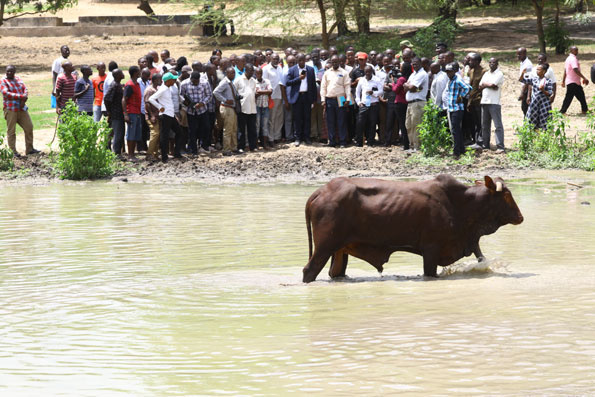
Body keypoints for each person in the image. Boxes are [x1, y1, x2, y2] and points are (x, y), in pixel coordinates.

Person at [1, 65, 38, 157]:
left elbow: (25, 89)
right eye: (8, 71)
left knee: (29, 127)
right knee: (11, 131)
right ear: (5, 72)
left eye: (11, 71)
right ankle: (13, 152)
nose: (9, 73)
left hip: (21, 108)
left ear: (15, 72)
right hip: (11, 109)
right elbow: (6, 93)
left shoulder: (18, 79)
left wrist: (23, 99)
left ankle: (29, 149)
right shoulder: (3, 81)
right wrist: (21, 97)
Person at [148, 72, 182, 163]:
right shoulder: (163, 89)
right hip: (165, 115)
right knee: (165, 136)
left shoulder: (167, 88)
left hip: (170, 115)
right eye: (173, 79)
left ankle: (176, 153)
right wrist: (159, 107)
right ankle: (164, 157)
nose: (174, 81)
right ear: (168, 81)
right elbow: (151, 99)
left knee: (179, 133)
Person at [285, 53, 317, 146]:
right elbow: (288, 82)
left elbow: (313, 85)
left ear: (305, 60)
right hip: (297, 97)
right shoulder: (292, 70)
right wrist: (299, 78)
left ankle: (307, 137)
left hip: (307, 96)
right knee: (297, 118)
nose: (301, 62)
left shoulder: (310, 69)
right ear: (297, 61)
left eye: (303, 60)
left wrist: (314, 99)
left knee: (307, 118)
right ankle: (298, 138)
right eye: (299, 60)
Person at [320, 55, 352, 148]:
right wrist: (323, 99)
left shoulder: (344, 73)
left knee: (341, 121)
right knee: (330, 121)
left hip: (341, 98)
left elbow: (347, 87)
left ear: (339, 62)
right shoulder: (327, 73)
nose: (334, 63)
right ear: (331, 62)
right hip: (329, 99)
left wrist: (348, 99)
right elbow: (323, 87)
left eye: (336, 62)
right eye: (333, 62)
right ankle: (332, 141)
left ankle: (342, 141)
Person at [181, 71, 213, 155]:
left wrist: (202, 103)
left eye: (197, 81)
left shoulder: (204, 83)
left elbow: (209, 95)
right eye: (194, 81)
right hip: (191, 112)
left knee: (206, 128)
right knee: (192, 131)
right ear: (191, 79)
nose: (196, 83)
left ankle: (203, 146)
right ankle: (193, 150)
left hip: (202, 110)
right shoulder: (184, 84)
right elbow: (181, 96)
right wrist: (187, 103)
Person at [444, 62, 471, 158]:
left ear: (454, 71)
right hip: (451, 108)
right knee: (456, 130)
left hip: (457, 108)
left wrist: (462, 96)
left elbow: (468, 88)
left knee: (455, 130)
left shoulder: (457, 79)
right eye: (447, 72)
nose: (448, 73)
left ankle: (457, 152)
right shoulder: (450, 80)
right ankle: (461, 149)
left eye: (450, 72)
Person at [479, 58, 505, 153]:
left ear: (497, 64)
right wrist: (489, 85)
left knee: (497, 125)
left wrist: (487, 85)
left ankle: (500, 147)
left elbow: (493, 84)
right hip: (484, 101)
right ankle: (486, 145)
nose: (491, 64)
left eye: (494, 62)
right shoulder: (486, 73)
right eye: (490, 62)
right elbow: (480, 85)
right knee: (485, 125)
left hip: (494, 102)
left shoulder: (499, 74)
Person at [213, 67, 240, 156]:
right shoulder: (224, 82)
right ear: (227, 73)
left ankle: (233, 148)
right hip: (227, 108)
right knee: (228, 130)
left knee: (234, 129)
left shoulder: (230, 82)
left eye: (234, 73)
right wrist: (225, 100)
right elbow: (216, 92)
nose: (233, 74)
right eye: (231, 73)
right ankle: (226, 149)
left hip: (232, 108)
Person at [403, 56, 428, 152]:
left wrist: (410, 86)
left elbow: (412, 87)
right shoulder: (413, 74)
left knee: (417, 125)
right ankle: (412, 146)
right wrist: (408, 86)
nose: (414, 65)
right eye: (413, 63)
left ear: (421, 64)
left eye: (416, 63)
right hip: (410, 103)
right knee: (408, 125)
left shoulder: (422, 74)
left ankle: (418, 147)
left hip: (418, 103)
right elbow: (405, 87)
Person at [354, 65, 383, 146]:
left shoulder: (377, 80)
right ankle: (359, 142)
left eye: (369, 71)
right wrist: (358, 102)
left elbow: (381, 92)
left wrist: (373, 93)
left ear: (372, 72)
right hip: (363, 105)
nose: (367, 73)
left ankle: (370, 142)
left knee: (372, 124)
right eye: (366, 72)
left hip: (373, 105)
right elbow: (357, 92)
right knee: (360, 123)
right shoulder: (362, 80)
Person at [520, 63, 554, 130]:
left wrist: (543, 90)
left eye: (539, 70)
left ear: (544, 71)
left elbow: (549, 93)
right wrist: (522, 73)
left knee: (545, 122)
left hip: (543, 105)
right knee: (531, 121)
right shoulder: (534, 79)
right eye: (537, 69)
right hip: (534, 104)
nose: (537, 71)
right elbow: (522, 80)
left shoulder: (548, 81)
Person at [234, 63, 258, 152]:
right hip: (242, 108)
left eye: (252, 71)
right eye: (250, 70)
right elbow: (234, 93)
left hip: (252, 108)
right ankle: (241, 147)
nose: (251, 72)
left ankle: (253, 146)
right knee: (241, 129)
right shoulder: (238, 80)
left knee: (252, 129)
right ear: (245, 70)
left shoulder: (254, 80)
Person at [122, 66, 143, 160]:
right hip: (131, 112)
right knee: (131, 133)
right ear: (135, 73)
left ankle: (133, 154)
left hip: (137, 112)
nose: (140, 73)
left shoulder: (137, 83)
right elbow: (124, 99)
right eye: (139, 71)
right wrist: (125, 114)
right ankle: (130, 155)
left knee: (135, 134)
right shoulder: (129, 85)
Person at [560, 46, 589, 114]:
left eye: (577, 50)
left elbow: (565, 71)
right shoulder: (573, 59)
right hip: (573, 82)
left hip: (573, 82)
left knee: (581, 96)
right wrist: (584, 78)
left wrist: (563, 81)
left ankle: (585, 110)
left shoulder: (568, 58)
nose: (577, 52)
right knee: (569, 97)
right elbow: (575, 69)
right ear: (571, 51)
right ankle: (562, 111)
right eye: (575, 50)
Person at [262, 54, 284, 144]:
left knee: (279, 118)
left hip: (280, 96)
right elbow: (264, 83)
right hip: (271, 97)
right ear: (270, 59)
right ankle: (271, 138)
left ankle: (277, 136)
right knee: (271, 119)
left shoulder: (280, 68)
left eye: (277, 59)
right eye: (274, 59)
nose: (275, 60)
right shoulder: (266, 69)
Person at [103, 69, 125, 155]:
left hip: (117, 112)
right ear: (118, 75)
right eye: (121, 73)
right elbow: (106, 98)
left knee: (112, 132)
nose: (123, 74)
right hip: (116, 113)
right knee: (118, 133)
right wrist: (109, 111)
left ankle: (107, 149)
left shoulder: (118, 85)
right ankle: (116, 153)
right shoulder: (114, 85)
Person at [467, 53, 486, 149]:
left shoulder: (484, 72)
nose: (470, 62)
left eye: (472, 60)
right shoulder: (471, 71)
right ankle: (476, 140)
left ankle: (481, 141)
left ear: (478, 62)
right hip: (472, 100)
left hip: (480, 100)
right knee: (474, 122)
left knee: (481, 122)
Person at [144, 73, 162, 160]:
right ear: (154, 80)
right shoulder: (149, 90)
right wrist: (152, 115)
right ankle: (149, 154)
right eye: (159, 79)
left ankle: (155, 154)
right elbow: (147, 103)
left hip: (157, 115)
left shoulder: (157, 89)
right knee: (155, 133)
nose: (161, 81)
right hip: (151, 116)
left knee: (158, 134)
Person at [254, 67, 273, 149]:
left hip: (265, 106)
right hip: (257, 106)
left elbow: (270, 91)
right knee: (257, 125)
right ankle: (256, 144)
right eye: (257, 73)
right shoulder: (253, 82)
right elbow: (254, 94)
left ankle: (265, 144)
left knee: (265, 125)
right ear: (255, 74)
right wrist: (265, 92)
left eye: (260, 73)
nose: (259, 75)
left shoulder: (267, 81)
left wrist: (260, 92)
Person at [280, 55, 297, 142]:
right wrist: (286, 101)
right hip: (288, 99)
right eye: (290, 62)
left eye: (294, 62)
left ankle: (296, 136)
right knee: (288, 119)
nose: (292, 64)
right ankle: (289, 137)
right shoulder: (285, 72)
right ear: (287, 62)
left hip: (297, 99)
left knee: (296, 119)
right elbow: (282, 87)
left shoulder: (298, 70)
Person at [137, 67, 151, 151]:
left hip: (145, 109)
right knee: (140, 128)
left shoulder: (148, 82)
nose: (148, 77)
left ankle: (144, 145)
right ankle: (140, 147)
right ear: (142, 74)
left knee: (145, 129)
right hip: (139, 109)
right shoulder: (138, 82)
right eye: (147, 75)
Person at [517, 47, 533, 116]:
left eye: (520, 54)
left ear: (525, 54)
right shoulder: (522, 63)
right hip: (524, 88)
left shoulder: (528, 64)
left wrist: (522, 93)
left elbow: (527, 81)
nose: (518, 56)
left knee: (525, 108)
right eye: (517, 54)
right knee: (524, 108)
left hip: (526, 89)